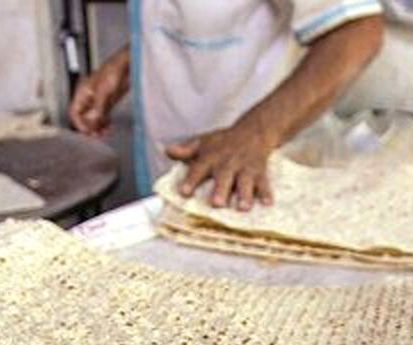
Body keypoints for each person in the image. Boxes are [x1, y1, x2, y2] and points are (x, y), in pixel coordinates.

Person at [69, 2, 385, 211]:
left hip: (252, 187)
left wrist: (255, 134)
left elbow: (356, 32)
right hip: (176, 179)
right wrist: (129, 62)